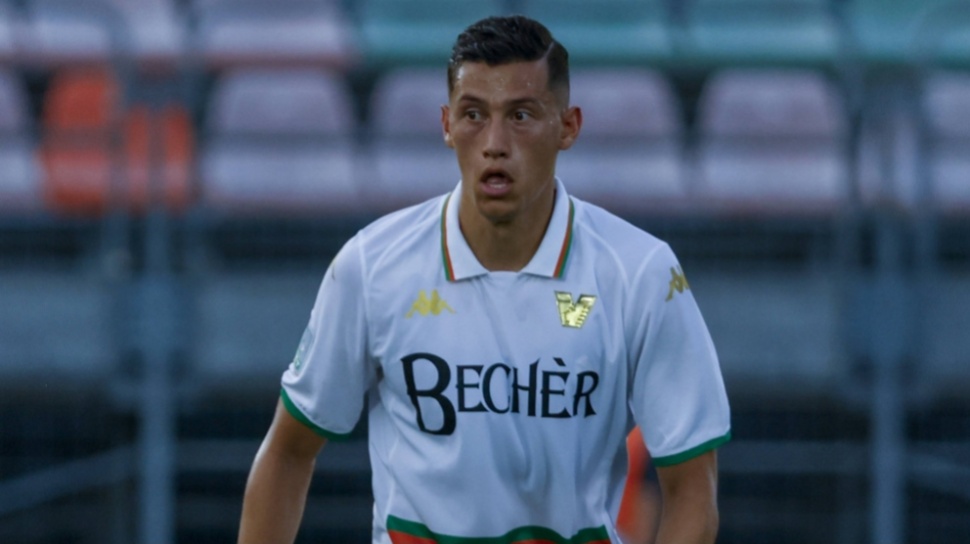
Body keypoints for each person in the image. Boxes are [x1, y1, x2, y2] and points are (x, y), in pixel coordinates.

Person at [238, 15, 731, 544]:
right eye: (474, 114)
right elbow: (289, 451)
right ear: (447, 125)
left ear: (568, 127)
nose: (495, 143)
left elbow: (692, 489)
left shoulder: (640, 273)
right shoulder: (372, 266)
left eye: (521, 115)